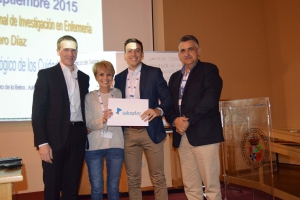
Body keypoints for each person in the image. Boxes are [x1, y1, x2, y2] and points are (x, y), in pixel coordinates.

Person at [165, 35, 224, 200]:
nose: (187, 53)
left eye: (190, 49)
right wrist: (175, 120)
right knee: (191, 186)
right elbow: (168, 104)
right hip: (182, 136)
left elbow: (210, 99)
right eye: (182, 50)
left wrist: (187, 120)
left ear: (198, 51)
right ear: (179, 55)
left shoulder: (209, 70)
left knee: (211, 186)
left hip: (204, 135)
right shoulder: (174, 77)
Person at [32, 35, 90, 200]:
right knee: (52, 185)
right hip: (53, 138)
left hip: (78, 135)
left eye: (73, 50)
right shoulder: (46, 75)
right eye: (66, 49)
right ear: (58, 51)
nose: (70, 54)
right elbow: (38, 112)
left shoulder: (84, 77)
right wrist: (42, 143)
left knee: (72, 187)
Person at [114, 38, 172, 200]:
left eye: (137, 50)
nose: (133, 54)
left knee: (158, 177)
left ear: (142, 54)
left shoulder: (154, 73)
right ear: (125, 55)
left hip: (151, 132)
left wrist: (158, 110)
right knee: (133, 179)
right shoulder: (118, 78)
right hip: (128, 134)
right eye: (130, 50)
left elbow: (167, 99)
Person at [85, 61, 124, 200]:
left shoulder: (118, 93)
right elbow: (88, 123)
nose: (105, 78)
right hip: (94, 146)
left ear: (112, 76)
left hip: (116, 144)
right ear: (96, 77)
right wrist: (102, 119)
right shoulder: (89, 97)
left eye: (109, 74)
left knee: (113, 186)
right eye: (101, 74)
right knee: (96, 186)